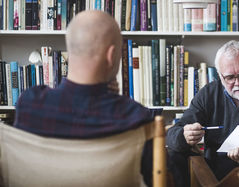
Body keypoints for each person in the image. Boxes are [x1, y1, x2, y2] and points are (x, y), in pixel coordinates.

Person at [14, 11, 154, 183]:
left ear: (70, 50)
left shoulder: (29, 105)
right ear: (111, 56)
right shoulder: (135, 117)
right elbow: (163, 180)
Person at [166, 40, 239, 186]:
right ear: (220, 75)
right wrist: (185, 135)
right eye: (230, 77)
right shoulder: (209, 93)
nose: (237, 83)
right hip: (215, 176)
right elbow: (173, 134)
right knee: (174, 153)